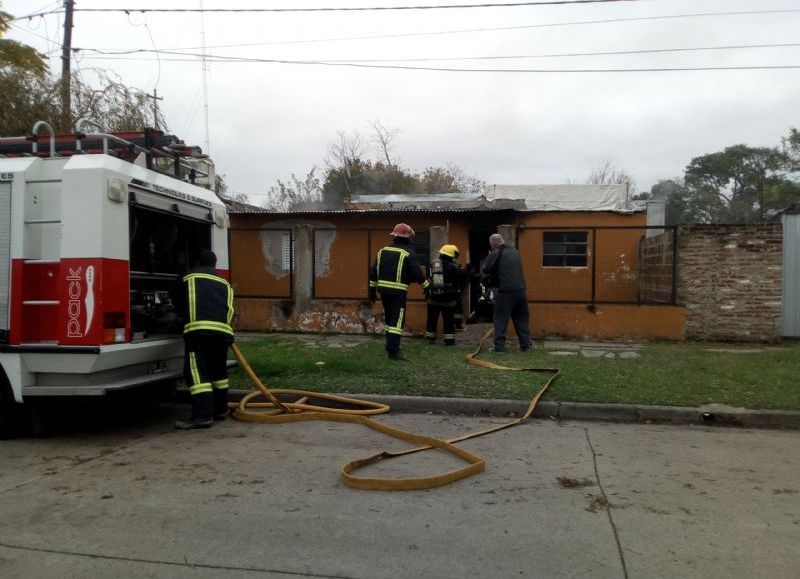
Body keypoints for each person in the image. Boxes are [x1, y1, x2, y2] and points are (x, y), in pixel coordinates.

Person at [175, 249, 235, 429]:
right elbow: (230, 309)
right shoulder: (225, 283)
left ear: (197, 262)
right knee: (218, 373)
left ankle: (202, 416)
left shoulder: (188, 277)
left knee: (197, 374)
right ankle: (220, 410)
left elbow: (178, 302)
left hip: (199, 333)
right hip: (223, 333)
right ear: (215, 264)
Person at [369, 223, 428, 360]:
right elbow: (417, 273)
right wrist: (426, 287)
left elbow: (373, 272)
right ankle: (394, 352)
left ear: (394, 236)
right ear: (408, 238)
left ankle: (390, 346)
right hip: (398, 292)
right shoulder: (408, 253)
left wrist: (371, 290)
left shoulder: (382, 251)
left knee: (390, 320)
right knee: (397, 321)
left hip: (383, 291)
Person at [481, 233, 533, 353]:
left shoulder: (495, 253)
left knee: (500, 319)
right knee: (521, 318)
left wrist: (490, 257)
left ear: (493, 244)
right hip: (520, 290)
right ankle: (525, 345)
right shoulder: (515, 252)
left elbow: (486, 269)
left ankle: (499, 347)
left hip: (505, 291)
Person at [425, 244, 469, 345]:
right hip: (448, 300)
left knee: (431, 319)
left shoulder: (432, 265)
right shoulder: (454, 268)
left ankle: (430, 339)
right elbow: (463, 282)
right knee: (448, 320)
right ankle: (449, 340)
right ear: (452, 256)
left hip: (433, 298)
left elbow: (428, 279)